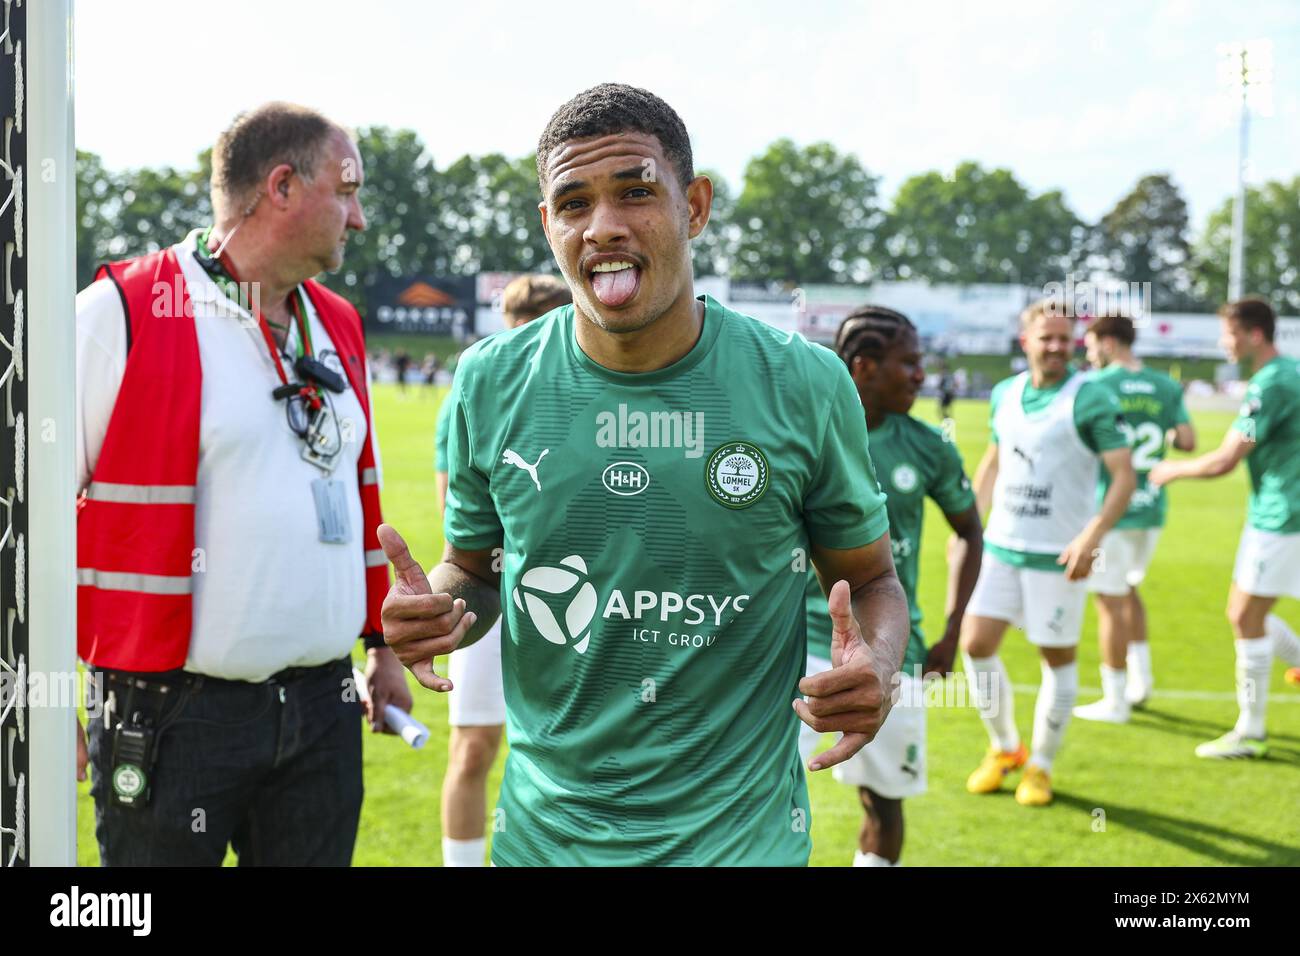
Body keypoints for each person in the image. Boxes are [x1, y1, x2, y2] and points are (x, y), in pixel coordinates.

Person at [379, 83, 910, 866]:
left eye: (635, 191)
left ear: (693, 206)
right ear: (548, 226)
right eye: (573, 203)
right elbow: (476, 569)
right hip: (544, 843)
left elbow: (872, 579)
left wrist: (882, 663)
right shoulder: (490, 380)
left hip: (740, 846)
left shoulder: (803, 382)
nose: (603, 227)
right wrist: (439, 611)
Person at [74, 102, 411, 865]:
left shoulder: (341, 322)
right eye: (348, 190)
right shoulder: (120, 313)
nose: (358, 219)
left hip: (324, 712)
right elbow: (18, 515)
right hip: (170, 716)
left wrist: (380, 645)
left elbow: (355, 492)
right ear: (282, 186)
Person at [800, 306, 983, 866]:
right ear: (864, 367)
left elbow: (971, 533)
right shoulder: (804, 434)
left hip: (890, 648)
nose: (921, 376)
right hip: (796, 644)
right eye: (909, 363)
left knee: (885, 800)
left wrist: (953, 631)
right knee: (758, 791)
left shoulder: (929, 445)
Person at [960, 298, 1135, 807]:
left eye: (1064, 338)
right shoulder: (1004, 394)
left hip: (1059, 556)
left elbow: (1124, 475)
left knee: (1055, 657)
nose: (1056, 347)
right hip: (1001, 548)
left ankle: (1042, 764)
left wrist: (1092, 536)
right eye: (1046, 337)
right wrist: (970, 526)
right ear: (1026, 341)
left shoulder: (1090, 397)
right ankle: (1004, 748)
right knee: (976, 645)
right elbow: (994, 461)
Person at [435, 274, 571, 867]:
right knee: (473, 749)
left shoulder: (577, 396)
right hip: (488, 598)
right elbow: (460, 521)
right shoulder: (480, 389)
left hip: (568, 603)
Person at [1150, 298, 1300, 758]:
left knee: (1245, 616)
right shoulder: (1288, 373)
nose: (1223, 344)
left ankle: (1250, 732)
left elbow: (1225, 459)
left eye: (1229, 334)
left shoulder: (1271, 385)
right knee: (1245, 611)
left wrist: (1170, 471)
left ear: (1254, 334)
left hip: (1283, 515)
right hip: (1283, 510)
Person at [1073, 314, 1195, 723]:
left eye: (1091, 345)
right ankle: (1141, 681)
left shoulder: (1095, 386)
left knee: (1109, 602)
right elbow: (1188, 440)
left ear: (1108, 342)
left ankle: (1115, 699)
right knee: (1128, 590)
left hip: (1112, 510)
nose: (1088, 354)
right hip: (1152, 507)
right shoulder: (1164, 384)